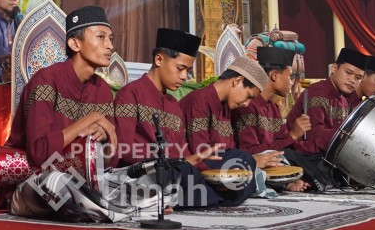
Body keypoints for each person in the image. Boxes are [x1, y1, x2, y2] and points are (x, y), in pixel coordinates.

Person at [114, 28, 252, 208]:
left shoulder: (173, 104)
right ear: (159, 60)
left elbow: (183, 152)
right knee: (191, 180)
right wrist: (173, 162)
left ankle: (203, 195)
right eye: (180, 68)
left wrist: (206, 172)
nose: (184, 77)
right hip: (145, 173)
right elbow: (124, 149)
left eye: (188, 70)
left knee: (228, 180)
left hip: (175, 172)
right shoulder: (130, 94)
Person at [5, 6, 118, 218]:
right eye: (101, 37)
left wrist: (107, 139)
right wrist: (91, 119)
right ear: (75, 44)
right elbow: (38, 153)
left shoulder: (102, 89)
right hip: (35, 180)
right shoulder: (46, 80)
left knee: (133, 180)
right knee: (58, 184)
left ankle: (98, 207)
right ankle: (101, 207)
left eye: (111, 39)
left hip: (83, 182)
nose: (110, 45)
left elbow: (109, 163)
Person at [179, 55, 271, 201]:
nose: (247, 104)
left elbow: (228, 150)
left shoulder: (226, 107)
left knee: (245, 162)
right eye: (248, 96)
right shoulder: (199, 101)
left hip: (216, 164)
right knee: (244, 159)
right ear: (238, 81)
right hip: (194, 166)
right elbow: (200, 154)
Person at [285, 48, 367, 189]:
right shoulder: (317, 91)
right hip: (304, 155)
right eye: (348, 73)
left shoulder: (345, 99)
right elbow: (313, 134)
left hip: (325, 156)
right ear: (334, 68)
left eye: (358, 78)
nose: (352, 80)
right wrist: (347, 137)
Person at [232, 47, 312, 192]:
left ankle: (286, 180)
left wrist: (295, 138)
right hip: (248, 167)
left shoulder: (273, 107)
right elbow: (249, 151)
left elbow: (281, 143)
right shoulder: (247, 105)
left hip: (274, 164)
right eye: (289, 76)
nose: (291, 82)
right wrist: (293, 135)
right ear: (274, 75)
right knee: (290, 156)